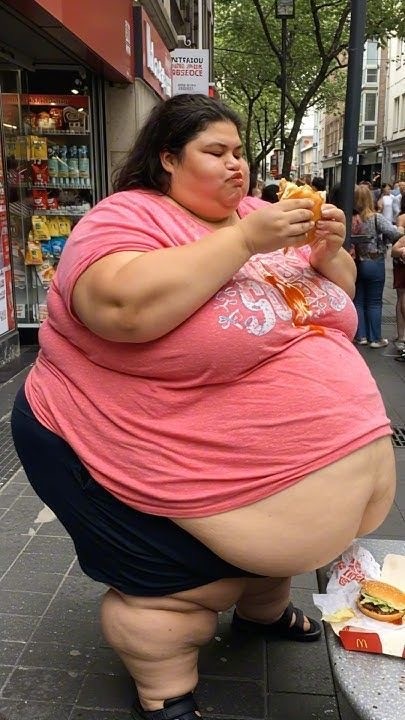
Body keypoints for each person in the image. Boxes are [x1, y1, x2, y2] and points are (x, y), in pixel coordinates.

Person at [11, 94, 396, 720]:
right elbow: (120, 308)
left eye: (239, 152)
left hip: (264, 482)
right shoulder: (126, 216)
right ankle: (164, 688)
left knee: (264, 562)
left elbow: (338, 303)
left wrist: (329, 255)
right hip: (135, 449)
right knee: (173, 596)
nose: (236, 164)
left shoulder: (261, 214)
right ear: (168, 158)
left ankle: (263, 610)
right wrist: (243, 241)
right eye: (215, 152)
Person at [351, 184, 404, 348]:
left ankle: (361, 336)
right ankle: (375, 338)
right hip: (374, 262)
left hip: (356, 262)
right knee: (374, 301)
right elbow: (394, 234)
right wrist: (400, 228)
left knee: (358, 300)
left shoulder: (351, 219)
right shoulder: (375, 218)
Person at [391, 194, 405, 358]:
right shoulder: (402, 218)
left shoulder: (401, 217)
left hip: (400, 264)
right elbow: (397, 246)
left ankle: (401, 336)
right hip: (402, 265)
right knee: (402, 298)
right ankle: (401, 337)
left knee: (401, 298)